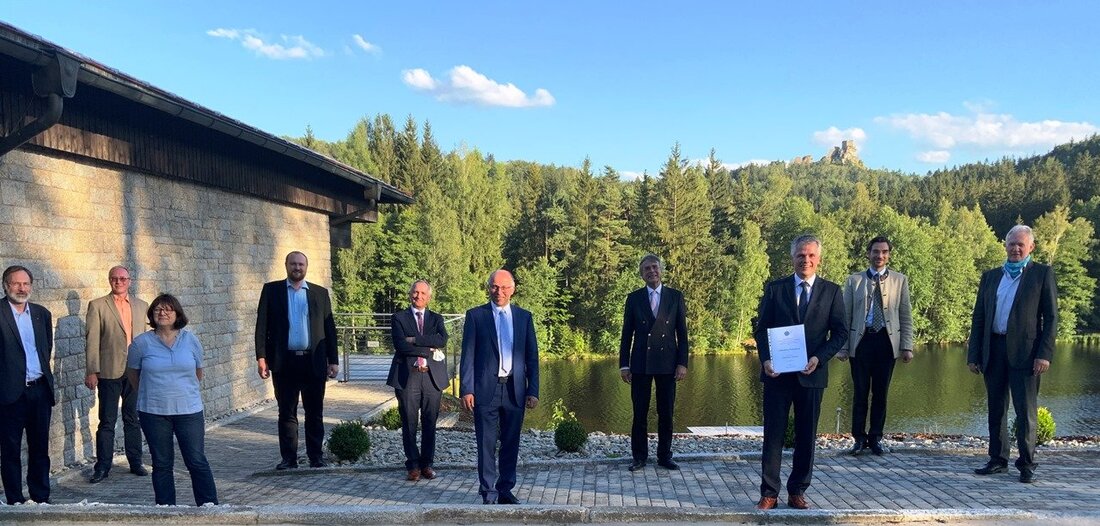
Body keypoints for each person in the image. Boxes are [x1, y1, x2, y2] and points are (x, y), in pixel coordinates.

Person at [753, 235, 847, 510]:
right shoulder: (776, 289)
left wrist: (820, 357)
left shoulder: (832, 291)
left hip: (812, 374)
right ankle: (769, 492)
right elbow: (762, 329)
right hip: (777, 376)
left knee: (807, 436)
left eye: (810, 256)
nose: (805, 260)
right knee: (773, 435)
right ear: (792, 258)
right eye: (800, 255)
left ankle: (797, 491)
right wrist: (766, 359)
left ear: (818, 259)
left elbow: (840, 332)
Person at [968, 224, 1057, 484]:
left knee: (1025, 411)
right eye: (1011, 244)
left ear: (1031, 247)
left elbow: (1051, 318)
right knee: (996, 409)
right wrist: (974, 354)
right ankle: (998, 460)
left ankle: (1027, 464)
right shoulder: (991, 277)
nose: (1015, 248)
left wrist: (1044, 354)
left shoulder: (1042, 274)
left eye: (1021, 244)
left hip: (1027, 354)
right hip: (993, 349)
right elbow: (979, 318)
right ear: (1005, 246)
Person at [125, 294, 218, 506]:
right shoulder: (141, 344)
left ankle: (210, 507)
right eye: (158, 309)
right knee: (161, 463)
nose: (162, 313)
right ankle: (165, 510)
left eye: (168, 309)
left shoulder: (191, 340)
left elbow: (198, 372)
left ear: (177, 314)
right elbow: (133, 375)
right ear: (152, 314)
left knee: (196, 460)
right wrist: (152, 392)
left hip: (189, 411)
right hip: (154, 412)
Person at [460, 269, 539, 505]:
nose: (499, 292)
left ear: (513, 289)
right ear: (489, 288)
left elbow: (532, 357)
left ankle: (505, 489)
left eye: (504, 287)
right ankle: (488, 491)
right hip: (486, 389)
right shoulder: (476, 316)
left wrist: (533, 389)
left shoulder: (524, 317)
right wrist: (467, 389)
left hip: (515, 389)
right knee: (485, 442)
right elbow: (468, 355)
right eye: (495, 287)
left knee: (511, 442)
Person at [255, 251, 339, 470]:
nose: (297, 267)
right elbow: (261, 326)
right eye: (293, 264)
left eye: (301, 264)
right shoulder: (272, 291)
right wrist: (261, 357)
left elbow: (330, 329)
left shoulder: (319, 294)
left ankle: (315, 456)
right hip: (284, 363)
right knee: (286, 412)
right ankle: (289, 458)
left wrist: (333, 359)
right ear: (286, 265)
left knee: (314, 412)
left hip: (313, 362)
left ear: (306, 267)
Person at [838, 237, 914, 455]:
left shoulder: (900, 280)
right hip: (861, 343)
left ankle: (876, 437)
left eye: (884, 252)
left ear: (889, 254)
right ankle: (859, 438)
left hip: (887, 343)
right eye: (875, 252)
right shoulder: (854, 281)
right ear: (868, 254)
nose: (879, 256)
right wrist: (843, 347)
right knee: (860, 392)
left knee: (881, 393)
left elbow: (905, 315)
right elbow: (846, 316)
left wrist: (907, 346)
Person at [618, 254, 689, 471]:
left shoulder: (675, 297)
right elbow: (626, 334)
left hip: (668, 363)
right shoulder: (634, 298)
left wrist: (682, 363)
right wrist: (624, 364)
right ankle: (639, 457)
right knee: (640, 412)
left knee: (666, 412)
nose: (651, 271)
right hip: (640, 363)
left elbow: (682, 334)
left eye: (654, 267)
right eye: (647, 269)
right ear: (642, 274)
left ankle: (664, 456)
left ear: (661, 270)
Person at [85, 265, 149, 483]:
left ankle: (135, 462)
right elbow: (92, 340)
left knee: (133, 418)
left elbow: (146, 340)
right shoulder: (98, 306)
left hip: (135, 371)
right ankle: (102, 466)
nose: (119, 281)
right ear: (109, 280)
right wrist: (92, 370)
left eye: (122, 278)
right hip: (109, 371)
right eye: (114, 278)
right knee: (107, 421)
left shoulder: (142, 306)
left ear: (129, 281)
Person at [0, 265, 56, 505]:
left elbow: (45, 349)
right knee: (10, 450)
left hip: (39, 390)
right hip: (9, 394)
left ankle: (41, 496)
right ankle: (14, 500)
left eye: (26, 284)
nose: (21, 288)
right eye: (16, 283)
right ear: (5, 285)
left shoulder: (41, 314)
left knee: (40, 448)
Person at [387, 280, 449, 481]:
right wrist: (427, 347)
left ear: (429, 297)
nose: (419, 296)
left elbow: (442, 341)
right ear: (410, 294)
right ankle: (413, 465)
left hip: (432, 377)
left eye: (423, 293)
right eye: (415, 292)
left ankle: (427, 464)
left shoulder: (436, 319)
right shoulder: (399, 318)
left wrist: (414, 340)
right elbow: (400, 346)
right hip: (408, 376)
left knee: (430, 423)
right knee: (409, 423)